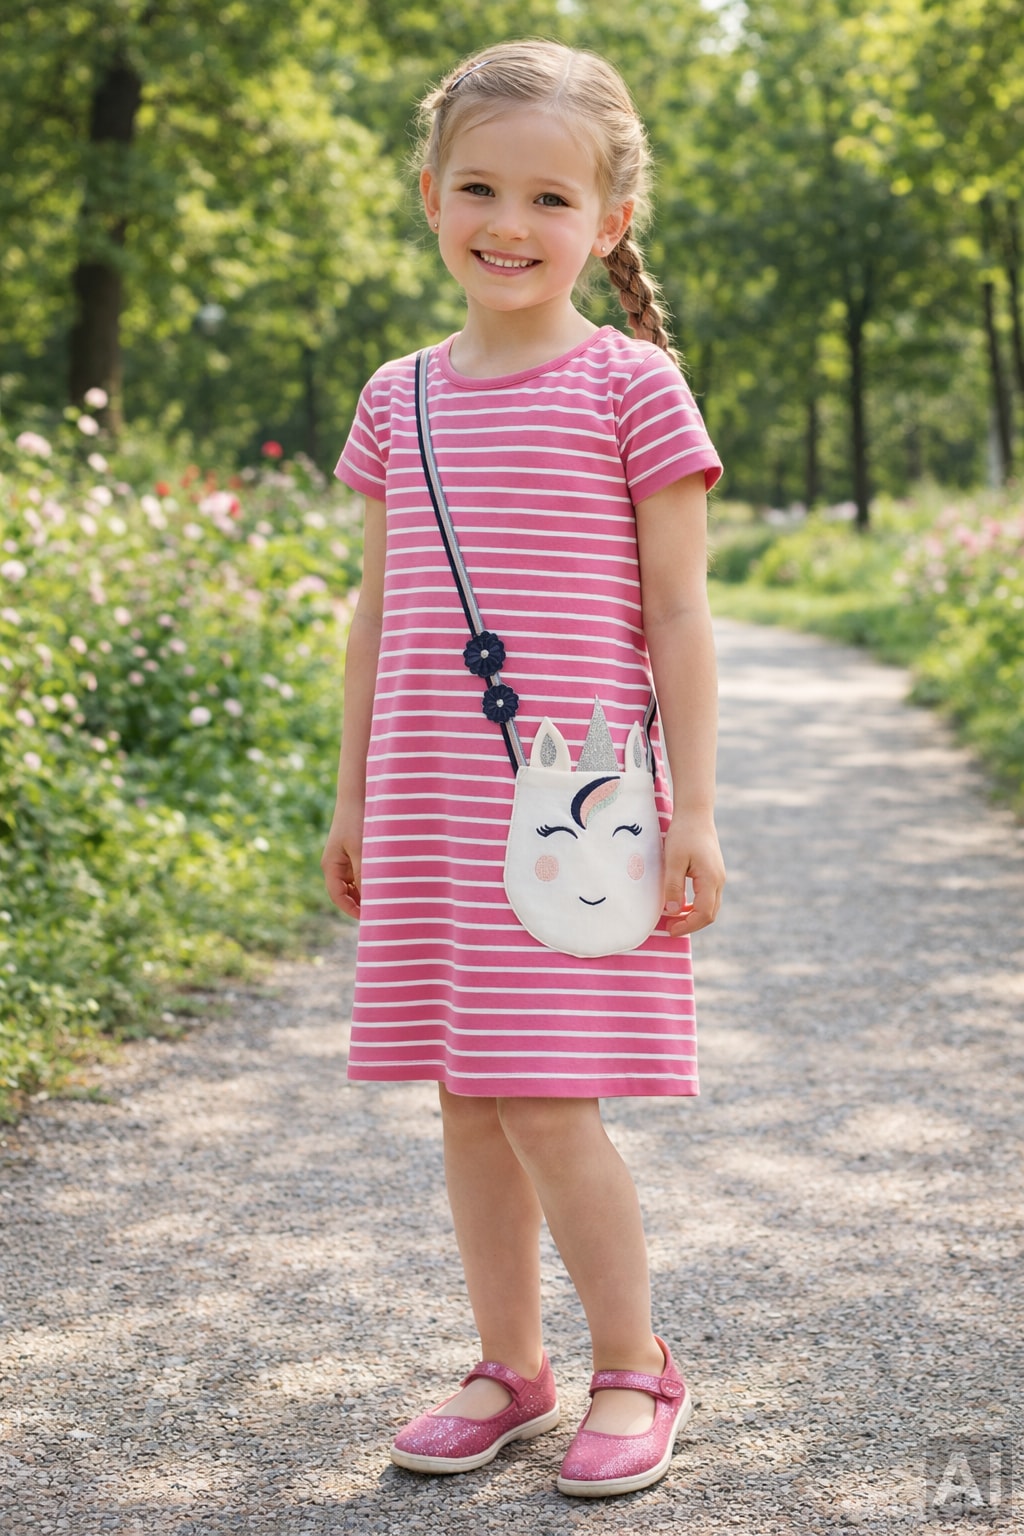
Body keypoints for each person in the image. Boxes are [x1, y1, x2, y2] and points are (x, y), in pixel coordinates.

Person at [322, 38, 725, 1499]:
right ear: (430, 195)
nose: (508, 222)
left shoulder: (635, 391)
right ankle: (512, 1366)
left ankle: (637, 1363)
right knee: (463, 1089)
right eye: (478, 187)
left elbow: (679, 616)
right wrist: (352, 792)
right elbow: (378, 609)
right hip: (432, 801)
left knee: (549, 1095)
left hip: (584, 810)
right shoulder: (397, 397)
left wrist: (698, 814)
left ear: (608, 222)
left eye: (549, 197)